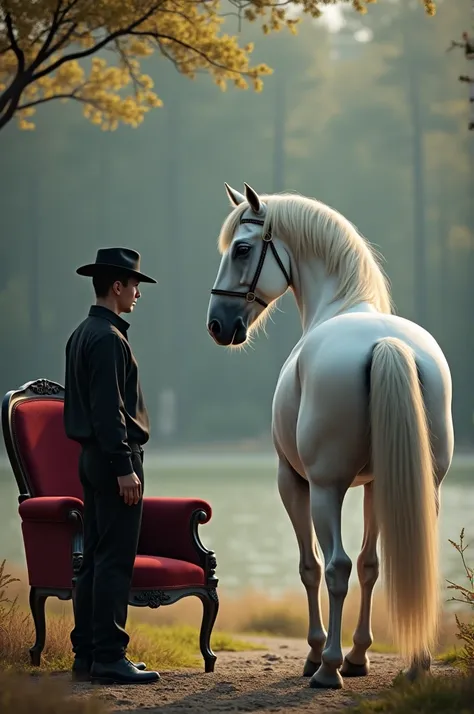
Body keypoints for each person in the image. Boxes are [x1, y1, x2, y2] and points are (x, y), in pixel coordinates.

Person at [64, 247, 160, 685]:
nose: (138, 292)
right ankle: (108, 656)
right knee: (115, 560)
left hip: (92, 460)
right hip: (112, 461)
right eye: (135, 284)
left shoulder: (83, 333)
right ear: (117, 286)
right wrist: (125, 467)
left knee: (96, 561)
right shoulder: (107, 339)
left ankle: (86, 654)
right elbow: (108, 412)